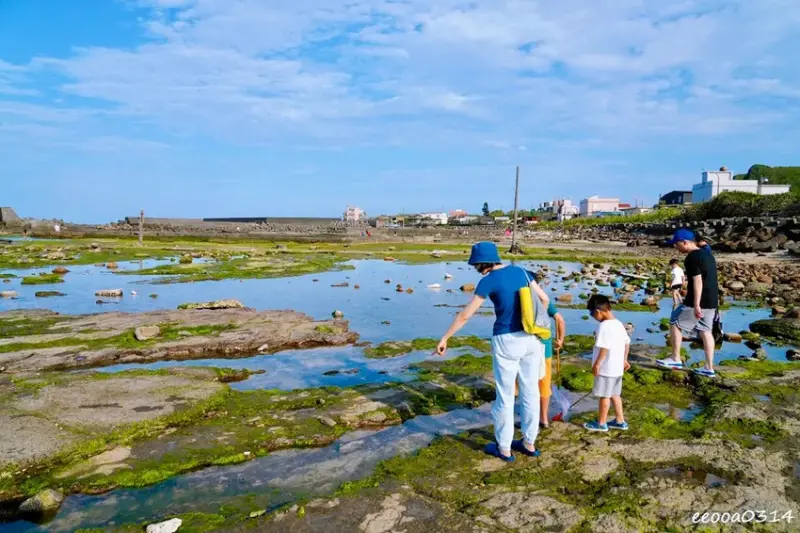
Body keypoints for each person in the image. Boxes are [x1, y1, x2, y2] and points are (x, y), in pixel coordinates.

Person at [436, 242, 548, 461]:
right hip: (532, 338)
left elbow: (465, 315)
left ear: (480, 263)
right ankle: (529, 443)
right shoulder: (522, 272)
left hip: (506, 339)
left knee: (505, 395)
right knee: (530, 392)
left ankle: (504, 448)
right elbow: (544, 299)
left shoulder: (487, 281)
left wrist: (445, 338)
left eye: (475, 264)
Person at [658, 229, 720, 377]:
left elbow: (697, 281)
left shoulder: (692, 258)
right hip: (712, 300)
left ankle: (675, 358)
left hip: (698, 301)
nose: (675, 247)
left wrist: (697, 304)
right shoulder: (707, 254)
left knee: (674, 322)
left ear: (685, 242)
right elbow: (705, 244)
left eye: (676, 243)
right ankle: (709, 367)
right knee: (705, 330)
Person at [583, 294, 631, 432]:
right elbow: (627, 342)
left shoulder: (603, 326)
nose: (592, 316)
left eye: (591, 313)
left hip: (606, 368)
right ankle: (620, 420)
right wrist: (624, 359)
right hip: (617, 368)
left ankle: (601, 423)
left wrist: (597, 364)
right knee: (615, 394)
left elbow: (605, 347)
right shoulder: (618, 324)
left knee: (604, 395)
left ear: (598, 312)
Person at [539, 298, 565, 428]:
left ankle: (532, 416)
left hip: (527, 350)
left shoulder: (520, 298)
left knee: (528, 385)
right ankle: (544, 418)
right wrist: (560, 340)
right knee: (544, 385)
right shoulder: (544, 299)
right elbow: (560, 319)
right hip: (545, 350)